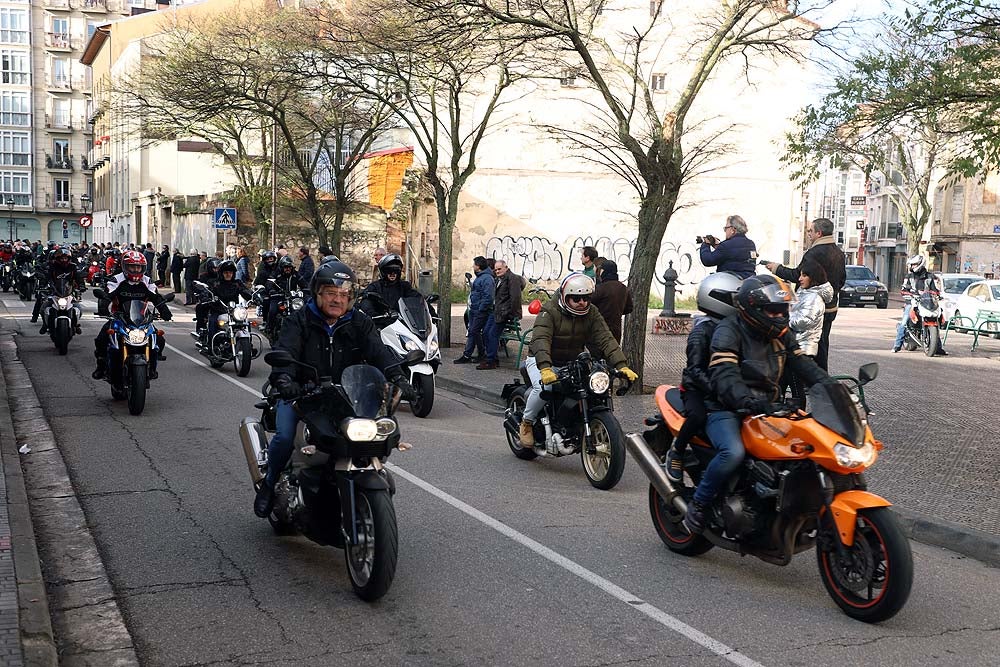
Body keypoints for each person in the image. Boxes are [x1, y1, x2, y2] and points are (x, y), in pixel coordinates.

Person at [253, 262, 414, 517]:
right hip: (303, 394)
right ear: (317, 293)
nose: (337, 299)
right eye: (330, 292)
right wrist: (284, 381)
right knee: (284, 437)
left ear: (351, 297)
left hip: (347, 396)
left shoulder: (359, 322)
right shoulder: (299, 320)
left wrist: (398, 377)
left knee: (375, 435)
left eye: (343, 294)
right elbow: (285, 351)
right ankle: (270, 485)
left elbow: (378, 352)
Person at [683, 275, 831, 534]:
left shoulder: (781, 334)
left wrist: (830, 386)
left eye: (784, 309)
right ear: (753, 310)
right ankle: (699, 503)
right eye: (773, 310)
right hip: (725, 407)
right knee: (733, 453)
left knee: (807, 447)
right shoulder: (729, 330)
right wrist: (748, 401)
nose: (780, 316)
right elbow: (725, 374)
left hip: (767, 407)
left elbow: (803, 364)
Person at [519, 272, 639, 447]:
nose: (582, 302)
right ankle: (527, 423)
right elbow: (540, 340)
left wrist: (622, 365)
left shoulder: (592, 313)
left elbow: (605, 338)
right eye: (576, 298)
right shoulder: (549, 312)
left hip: (573, 362)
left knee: (592, 387)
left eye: (586, 298)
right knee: (545, 387)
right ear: (565, 297)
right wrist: (545, 368)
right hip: (541, 360)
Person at [664, 272, 742, 483]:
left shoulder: (733, 328)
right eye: (734, 299)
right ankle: (677, 450)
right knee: (697, 416)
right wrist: (719, 389)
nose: (738, 304)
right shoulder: (702, 331)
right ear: (717, 298)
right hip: (695, 388)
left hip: (723, 388)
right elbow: (695, 370)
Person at [765, 217, 846, 370]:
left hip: (811, 306)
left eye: (811, 231)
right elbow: (842, 280)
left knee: (806, 345)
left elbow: (797, 275)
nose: (808, 234)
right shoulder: (839, 253)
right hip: (831, 307)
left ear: (819, 233)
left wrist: (776, 268)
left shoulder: (814, 253)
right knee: (822, 343)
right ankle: (819, 378)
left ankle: (811, 380)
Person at [92, 251, 172, 381]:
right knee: (102, 337)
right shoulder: (116, 280)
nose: (135, 270)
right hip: (120, 318)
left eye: (138, 267)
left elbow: (156, 298)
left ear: (143, 268)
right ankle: (101, 366)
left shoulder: (147, 281)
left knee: (159, 339)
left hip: (141, 319)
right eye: (132, 267)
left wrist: (165, 312)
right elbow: (107, 295)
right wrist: (103, 308)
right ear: (125, 267)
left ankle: (152, 366)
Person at [785, 258, 833, 400]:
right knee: (789, 383)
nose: (799, 279)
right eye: (800, 275)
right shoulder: (804, 292)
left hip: (802, 347)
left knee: (795, 384)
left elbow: (804, 321)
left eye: (804, 275)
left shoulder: (814, 297)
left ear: (814, 278)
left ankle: (798, 412)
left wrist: (784, 319)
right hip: (796, 344)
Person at [892, 254, 946, 354]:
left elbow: (935, 290)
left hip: (926, 302)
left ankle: (938, 348)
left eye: (914, 264)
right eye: (911, 265)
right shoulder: (909, 276)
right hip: (912, 302)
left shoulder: (930, 276)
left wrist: (938, 295)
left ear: (920, 264)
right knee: (904, 322)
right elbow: (904, 289)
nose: (912, 267)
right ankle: (897, 345)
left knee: (937, 320)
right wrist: (907, 294)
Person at [480, 259, 526, 370]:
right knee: (486, 332)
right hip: (496, 311)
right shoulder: (499, 279)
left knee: (492, 334)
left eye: (499, 269)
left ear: (506, 267)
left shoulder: (512, 278)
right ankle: (492, 358)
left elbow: (515, 298)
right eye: (495, 270)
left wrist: (511, 313)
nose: (497, 271)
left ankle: (491, 361)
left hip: (503, 313)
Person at [31, 247, 85, 333]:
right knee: (44, 307)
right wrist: (43, 285)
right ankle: (45, 325)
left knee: (78, 307)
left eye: (65, 258)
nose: (64, 260)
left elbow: (78, 277)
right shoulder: (52, 267)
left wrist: (81, 285)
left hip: (68, 292)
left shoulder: (72, 267)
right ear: (58, 259)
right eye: (62, 258)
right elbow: (47, 276)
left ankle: (75, 325)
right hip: (55, 292)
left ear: (69, 258)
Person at [194, 259, 254, 335]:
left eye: (230, 272)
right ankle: (211, 343)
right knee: (212, 321)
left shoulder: (237, 283)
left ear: (233, 273)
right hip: (217, 309)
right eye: (226, 272)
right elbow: (207, 291)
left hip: (233, 311)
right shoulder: (214, 283)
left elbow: (245, 291)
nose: (228, 274)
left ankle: (248, 344)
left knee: (245, 322)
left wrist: (253, 297)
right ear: (221, 273)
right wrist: (206, 298)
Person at [454, 256, 495, 365]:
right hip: (475, 309)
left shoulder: (486, 278)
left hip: (479, 310)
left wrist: (481, 309)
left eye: (474, 264)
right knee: (473, 331)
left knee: (473, 331)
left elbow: (488, 297)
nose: (473, 266)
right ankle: (475, 353)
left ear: (478, 266)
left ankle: (475, 354)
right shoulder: (481, 277)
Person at [359, 253, 422, 317]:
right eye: (389, 270)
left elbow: (416, 298)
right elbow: (366, 301)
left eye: (396, 270)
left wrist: (430, 313)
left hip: (403, 322)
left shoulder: (404, 286)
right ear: (383, 271)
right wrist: (374, 315)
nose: (393, 273)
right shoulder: (375, 287)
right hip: (382, 323)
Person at [698, 214, 758, 279]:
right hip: (748, 282)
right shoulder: (751, 244)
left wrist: (706, 244)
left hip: (730, 283)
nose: (725, 231)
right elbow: (732, 255)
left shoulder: (726, 245)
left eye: (726, 228)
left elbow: (708, 260)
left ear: (732, 230)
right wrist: (717, 245)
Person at [590, 260, 633, 343]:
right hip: (616, 331)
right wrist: (617, 311)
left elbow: (588, 304)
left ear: (603, 271)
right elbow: (629, 308)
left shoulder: (601, 288)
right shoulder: (623, 288)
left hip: (600, 329)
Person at [263, 256, 306, 332]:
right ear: (281, 267)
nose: (288, 269)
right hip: (278, 297)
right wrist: (272, 290)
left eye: (289, 267)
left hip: (292, 298)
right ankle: (269, 327)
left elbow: (304, 284)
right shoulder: (276, 273)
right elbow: (269, 282)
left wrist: (306, 290)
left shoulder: (295, 274)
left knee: (302, 310)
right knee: (273, 310)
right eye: (285, 267)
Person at [254, 251, 280, 324]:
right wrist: (260, 288)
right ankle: (265, 321)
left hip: (278, 291)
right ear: (265, 260)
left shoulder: (279, 269)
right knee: (266, 301)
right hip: (266, 293)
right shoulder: (262, 271)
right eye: (268, 259)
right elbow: (257, 283)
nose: (270, 260)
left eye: (271, 258)